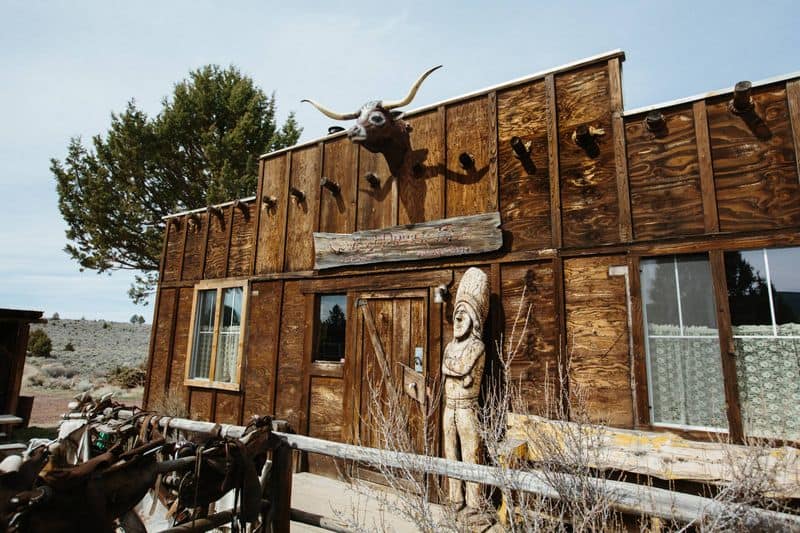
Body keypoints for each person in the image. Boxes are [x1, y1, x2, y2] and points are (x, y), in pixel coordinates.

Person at [442, 267, 489, 511]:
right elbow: (447, 365)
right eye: (456, 313)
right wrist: (456, 369)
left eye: (464, 313)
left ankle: (474, 504)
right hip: (449, 407)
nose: (458, 319)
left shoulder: (477, 346)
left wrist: (457, 369)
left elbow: (459, 367)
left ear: (475, 318)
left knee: (471, 454)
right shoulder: (450, 346)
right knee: (450, 452)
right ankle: (455, 498)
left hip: (467, 408)